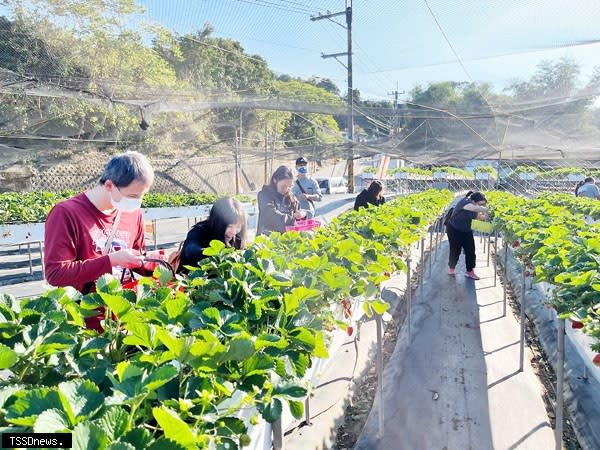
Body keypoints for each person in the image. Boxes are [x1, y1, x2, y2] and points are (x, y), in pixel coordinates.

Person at [177, 197, 247, 274]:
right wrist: (218, 255)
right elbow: (191, 250)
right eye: (229, 226)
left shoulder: (237, 238)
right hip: (192, 282)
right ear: (217, 222)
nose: (234, 232)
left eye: (238, 226)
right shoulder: (199, 231)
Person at [445, 191, 489, 280]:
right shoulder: (465, 202)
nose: (481, 206)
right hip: (454, 229)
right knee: (455, 249)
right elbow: (473, 208)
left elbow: (480, 217)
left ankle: (470, 271)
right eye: (480, 204)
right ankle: (451, 268)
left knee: (470, 250)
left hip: (466, 229)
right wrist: (486, 209)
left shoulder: (475, 207)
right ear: (475, 201)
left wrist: (485, 214)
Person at [257, 165, 307, 235]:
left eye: (289, 187)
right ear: (275, 180)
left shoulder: (292, 198)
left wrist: (302, 215)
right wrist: (293, 218)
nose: (286, 189)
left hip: (288, 240)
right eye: (283, 186)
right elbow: (271, 215)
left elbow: (298, 213)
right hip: (267, 240)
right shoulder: (264, 195)